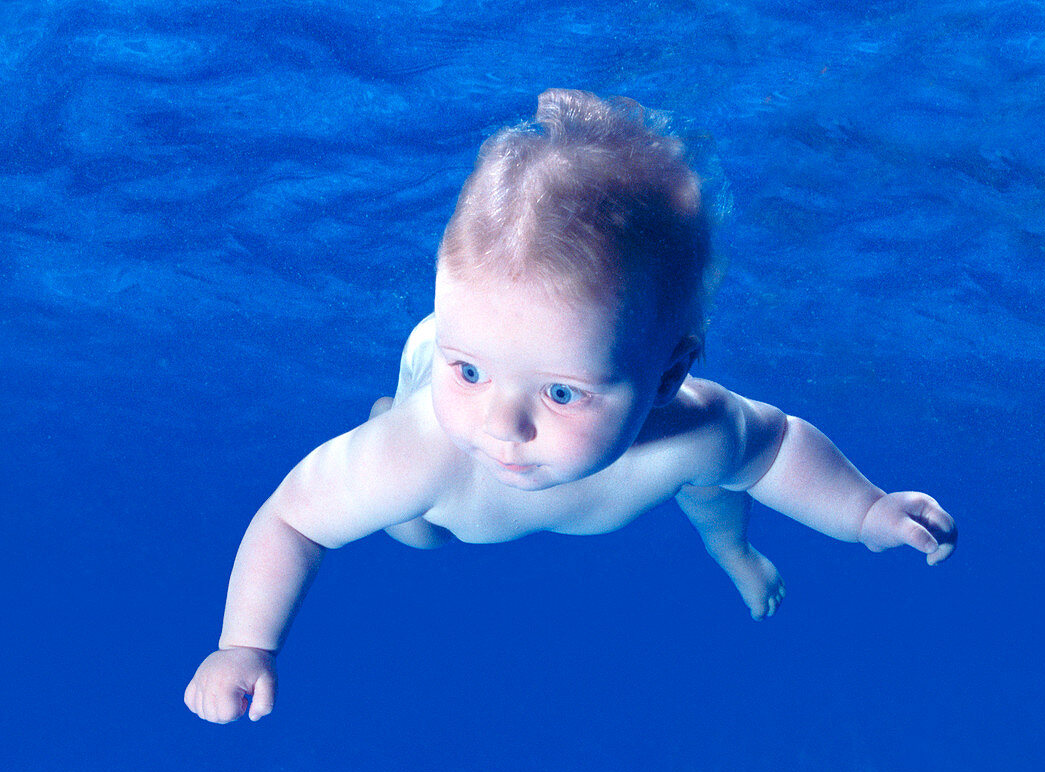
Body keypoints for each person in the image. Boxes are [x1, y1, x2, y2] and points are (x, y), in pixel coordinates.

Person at [184, 89, 956, 724]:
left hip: (641, 437)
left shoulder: (688, 423)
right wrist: (246, 644)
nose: (504, 426)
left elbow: (778, 448)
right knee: (416, 532)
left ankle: (733, 554)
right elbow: (291, 518)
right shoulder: (425, 449)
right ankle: (417, 383)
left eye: (561, 392)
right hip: (440, 465)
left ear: (665, 376)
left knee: (715, 472)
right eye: (475, 373)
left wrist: (865, 512)